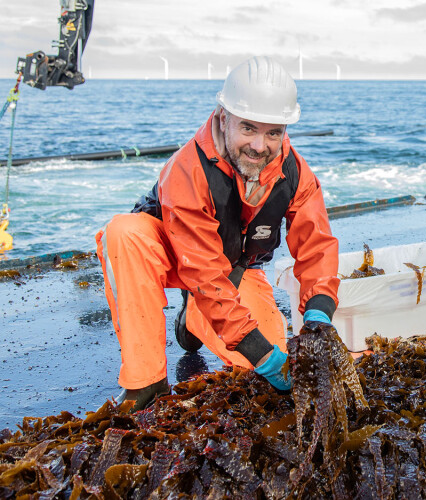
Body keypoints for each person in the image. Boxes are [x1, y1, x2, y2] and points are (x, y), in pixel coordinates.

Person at [96, 56, 340, 410]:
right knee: (124, 233)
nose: (260, 145)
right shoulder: (187, 169)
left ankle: (195, 318)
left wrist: (318, 312)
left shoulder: (296, 172)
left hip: (235, 270)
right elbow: (202, 272)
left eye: (273, 132)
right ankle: (145, 381)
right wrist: (256, 349)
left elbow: (316, 245)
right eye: (248, 128)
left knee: (265, 368)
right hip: (174, 259)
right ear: (223, 118)